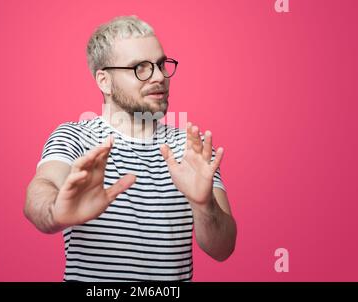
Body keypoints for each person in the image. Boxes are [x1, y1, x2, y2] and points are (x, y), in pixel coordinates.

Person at [24, 15, 237, 282]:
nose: (159, 77)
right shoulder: (76, 137)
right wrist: (56, 211)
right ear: (104, 81)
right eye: (141, 68)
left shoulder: (190, 148)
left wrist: (204, 204)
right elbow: (41, 188)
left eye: (161, 65)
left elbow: (222, 249)